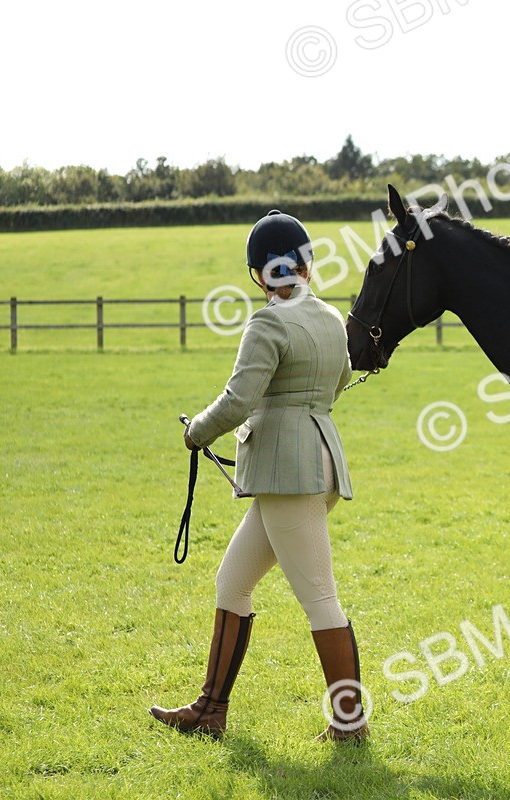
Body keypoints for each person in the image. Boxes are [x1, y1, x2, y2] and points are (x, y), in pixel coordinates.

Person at [150, 210, 366, 742]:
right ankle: (209, 711)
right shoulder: (332, 319)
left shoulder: (268, 322)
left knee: (319, 596)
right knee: (232, 582)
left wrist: (197, 431)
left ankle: (349, 723)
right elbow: (337, 383)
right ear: (305, 263)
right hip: (316, 460)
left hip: (289, 475)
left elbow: (239, 398)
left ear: (258, 273)